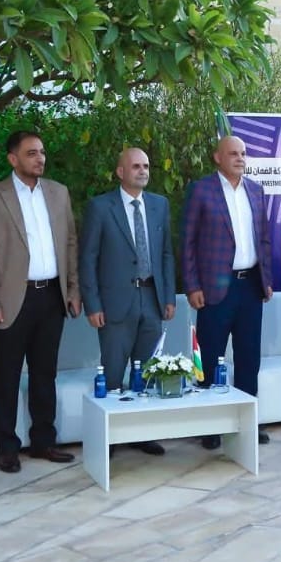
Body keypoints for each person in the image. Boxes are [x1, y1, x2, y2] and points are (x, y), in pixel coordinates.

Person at [0, 130, 81, 474]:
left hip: (51, 297)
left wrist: (73, 290)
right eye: (31, 153)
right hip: (10, 300)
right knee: (6, 375)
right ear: (13, 158)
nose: (40, 158)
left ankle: (44, 440)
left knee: (45, 373)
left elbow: (70, 244)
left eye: (42, 152)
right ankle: (6, 447)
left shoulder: (58, 193)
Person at [79, 147, 176, 456]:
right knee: (113, 370)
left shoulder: (159, 205)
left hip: (151, 297)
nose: (143, 171)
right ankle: (108, 437)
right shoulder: (100, 207)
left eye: (146, 166)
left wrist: (168, 296)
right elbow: (88, 258)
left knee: (146, 371)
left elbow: (166, 254)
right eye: (136, 166)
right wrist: (93, 304)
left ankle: (141, 433)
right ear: (120, 172)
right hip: (115, 301)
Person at [182, 135, 273, 446]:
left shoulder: (256, 191)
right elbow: (187, 242)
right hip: (214, 288)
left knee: (249, 358)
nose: (240, 158)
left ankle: (247, 423)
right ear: (217, 157)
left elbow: (264, 240)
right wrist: (192, 285)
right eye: (233, 153)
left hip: (251, 287)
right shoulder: (201, 190)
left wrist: (266, 279)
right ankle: (210, 427)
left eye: (243, 153)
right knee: (210, 357)